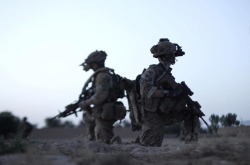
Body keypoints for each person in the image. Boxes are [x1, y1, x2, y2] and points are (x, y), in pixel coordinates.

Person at [139, 38, 200, 147]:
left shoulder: (167, 74)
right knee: (150, 147)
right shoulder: (152, 71)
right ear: (168, 55)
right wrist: (168, 93)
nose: (174, 57)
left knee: (192, 112)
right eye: (173, 54)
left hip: (166, 113)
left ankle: (190, 145)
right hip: (152, 116)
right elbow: (145, 90)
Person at [78, 50, 127, 144]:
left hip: (105, 111)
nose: (91, 67)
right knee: (89, 120)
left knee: (103, 139)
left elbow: (100, 97)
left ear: (95, 64)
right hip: (103, 110)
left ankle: (112, 152)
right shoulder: (104, 74)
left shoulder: (101, 76)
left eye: (92, 64)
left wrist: (84, 103)